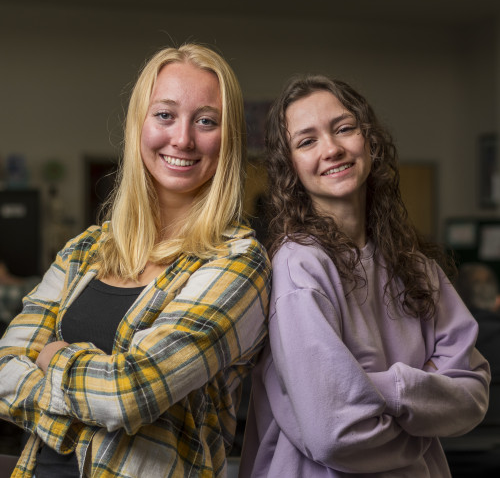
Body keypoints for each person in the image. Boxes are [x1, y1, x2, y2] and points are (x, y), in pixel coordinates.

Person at [0, 43, 271, 478]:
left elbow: (131, 393)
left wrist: (53, 357)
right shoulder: (86, 250)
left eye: (206, 121)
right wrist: (92, 402)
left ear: (229, 138)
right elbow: (4, 367)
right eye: (165, 114)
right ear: (139, 125)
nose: (182, 138)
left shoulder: (239, 263)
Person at [239, 74, 490, 477]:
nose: (332, 149)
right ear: (290, 167)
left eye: (343, 129)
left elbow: (473, 396)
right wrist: (424, 421)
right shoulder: (300, 266)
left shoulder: (418, 269)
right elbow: (335, 435)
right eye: (307, 141)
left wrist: (384, 388)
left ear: (369, 139)